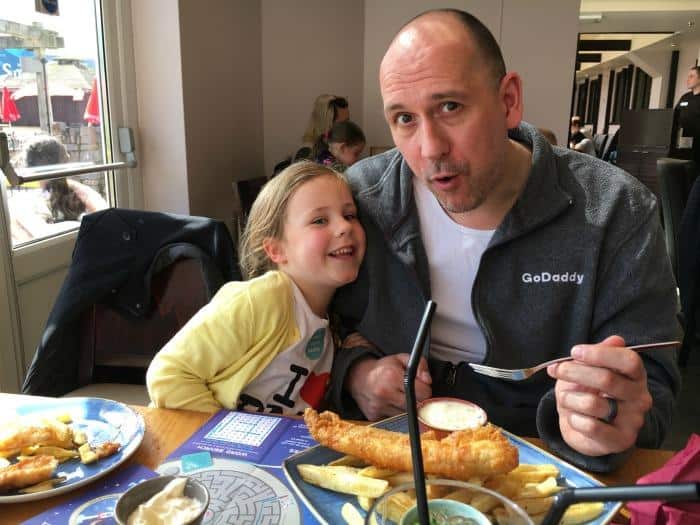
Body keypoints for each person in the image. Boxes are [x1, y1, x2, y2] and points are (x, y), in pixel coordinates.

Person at [329, 8, 680, 472]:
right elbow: (300, 323)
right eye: (404, 119)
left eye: (450, 107)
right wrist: (354, 372)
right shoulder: (360, 201)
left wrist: (611, 415)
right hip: (392, 451)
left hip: (540, 460)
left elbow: (652, 381)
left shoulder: (617, 211)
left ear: (509, 100)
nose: (430, 148)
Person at [147, 161, 366, 414]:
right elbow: (168, 374)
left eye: (350, 215)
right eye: (319, 220)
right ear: (276, 250)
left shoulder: (329, 325)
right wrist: (225, 434)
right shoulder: (260, 300)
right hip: (205, 449)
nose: (344, 226)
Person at [298, 94, 350, 160]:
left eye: (347, 121)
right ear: (325, 123)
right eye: (341, 123)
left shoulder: (341, 147)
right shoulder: (307, 153)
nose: (347, 127)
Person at [673, 65, 700, 165]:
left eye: (691, 76)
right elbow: (674, 116)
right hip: (682, 146)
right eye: (688, 76)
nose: (687, 79)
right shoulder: (685, 97)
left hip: (697, 148)